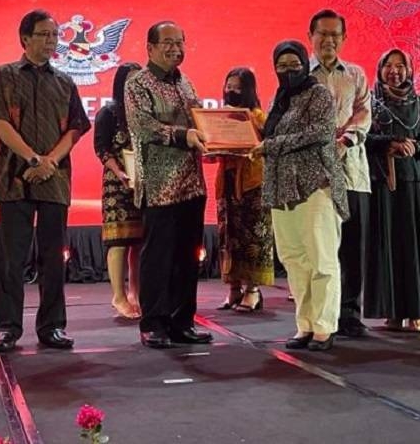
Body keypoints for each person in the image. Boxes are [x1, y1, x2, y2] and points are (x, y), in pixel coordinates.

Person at [0, 9, 91, 352]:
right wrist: (32, 159)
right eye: (43, 35)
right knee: (12, 259)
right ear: (25, 38)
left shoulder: (65, 81)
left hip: (54, 180)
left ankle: (52, 327)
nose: (50, 41)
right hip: (14, 179)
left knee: (52, 257)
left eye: (54, 36)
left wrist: (49, 163)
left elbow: (75, 128)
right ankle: (8, 328)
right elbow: (1, 123)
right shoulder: (3, 75)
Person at [254, 40, 347, 352]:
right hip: (282, 189)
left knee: (321, 258)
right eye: (281, 66)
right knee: (294, 259)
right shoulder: (278, 99)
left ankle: (324, 326)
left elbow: (321, 133)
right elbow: (268, 136)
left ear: (305, 65)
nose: (288, 71)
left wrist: (271, 146)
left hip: (315, 185)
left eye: (294, 64)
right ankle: (305, 324)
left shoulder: (318, 93)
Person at [125, 21, 212, 349]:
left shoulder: (186, 82)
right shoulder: (138, 83)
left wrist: (214, 135)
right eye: (168, 43)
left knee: (188, 257)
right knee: (158, 257)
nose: (176, 48)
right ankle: (154, 323)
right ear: (149, 48)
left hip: (192, 184)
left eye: (181, 42)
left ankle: (182, 321)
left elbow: (200, 123)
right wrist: (183, 135)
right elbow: (143, 126)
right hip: (160, 186)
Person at [364, 48, 420, 333]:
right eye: (389, 65)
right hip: (382, 184)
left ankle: (417, 312)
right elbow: (362, 136)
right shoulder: (369, 102)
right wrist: (388, 143)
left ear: (409, 71)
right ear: (379, 68)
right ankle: (392, 312)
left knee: (416, 249)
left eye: (401, 66)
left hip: (414, 185)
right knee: (387, 248)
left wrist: (418, 147)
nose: (395, 71)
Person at [308, 9, 372, 337]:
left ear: (344, 39)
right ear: (311, 37)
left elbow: (363, 113)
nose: (328, 40)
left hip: (352, 173)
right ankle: (322, 315)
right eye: (323, 34)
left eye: (335, 35)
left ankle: (349, 313)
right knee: (320, 249)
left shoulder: (356, 75)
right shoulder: (301, 76)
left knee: (352, 246)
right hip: (314, 177)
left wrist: (346, 139)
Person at [214, 67, 272, 312]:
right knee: (228, 237)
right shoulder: (220, 118)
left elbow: (269, 146)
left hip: (253, 183)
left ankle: (253, 291)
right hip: (226, 182)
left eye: (237, 87)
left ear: (248, 89)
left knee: (253, 238)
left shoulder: (259, 117)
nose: (232, 91)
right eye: (228, 86)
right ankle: (233, 289)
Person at [94, 62, 144, 320]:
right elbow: (102, 149)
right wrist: (119, 172)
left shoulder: (144, 111)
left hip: (143, 184)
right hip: (117, 183)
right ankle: (119, 296)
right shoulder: (109, 113)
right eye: (131, 81)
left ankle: (136, 292)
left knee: (139, 242)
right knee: (119, 241)